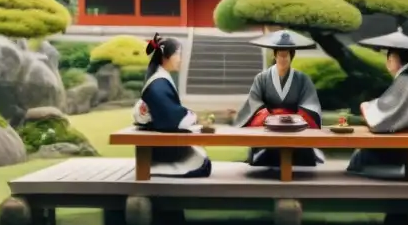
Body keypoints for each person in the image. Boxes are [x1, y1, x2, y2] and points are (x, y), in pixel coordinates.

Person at [347, 28, 408, 180]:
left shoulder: (406, 80)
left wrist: (367, 107)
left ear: (394, 60)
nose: (387, 64)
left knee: (360, 157)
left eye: (389, 59)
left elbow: (387, 109)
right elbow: (392, 103)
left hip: (406, 133)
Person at [233, 29, 324, 169]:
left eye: (286, 56)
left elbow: (310, 105)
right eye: (280, 55)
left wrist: (292, 119)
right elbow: (254, 104)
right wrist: (272, 117)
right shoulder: (262, 78)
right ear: (275, 56)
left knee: (300, 154)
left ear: (291, 57)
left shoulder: (302, 79)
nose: (283, 59)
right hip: (268, 127)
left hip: (296, 128)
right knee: (266, 153)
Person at [132, 33, 212, 178]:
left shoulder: (159, 79)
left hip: (159, 139)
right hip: (161, 145)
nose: (180, 59)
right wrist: (193, 116)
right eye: (178, 54)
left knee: (203, 160)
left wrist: (189, 114)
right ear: (165, 57)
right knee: (202, 164)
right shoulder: (158, 84)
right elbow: (172, 118)